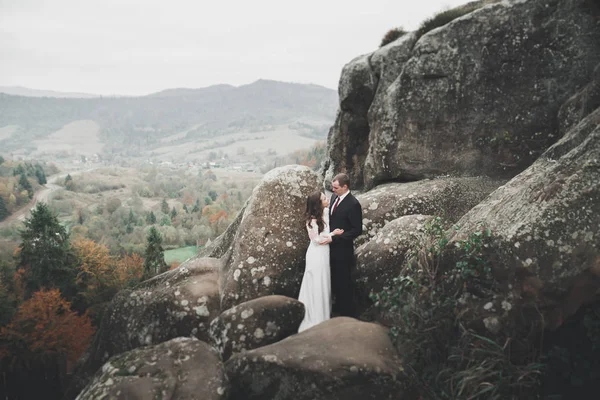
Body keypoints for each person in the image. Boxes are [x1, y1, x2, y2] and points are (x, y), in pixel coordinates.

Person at [298, 191, 343, 332]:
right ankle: (316, 316)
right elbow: (316, 240)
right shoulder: (311, 221)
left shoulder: (327, 212)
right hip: (316, 254)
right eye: (324, 198)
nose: (327, 198)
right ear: (318, 204)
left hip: (325, 253)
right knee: (317, 282)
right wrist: (333, 234)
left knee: (325, 281)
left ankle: (325, 314)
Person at [321, 173, 362, 317]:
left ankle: (347, 315)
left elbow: (357, 230)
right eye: (332, 187)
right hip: (328, 249)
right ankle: (336, 309)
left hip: (343, 251)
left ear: (345, 187)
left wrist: (336, 238)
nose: (333, 190)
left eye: (336, 187)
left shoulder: (353, 204)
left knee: (344, 282)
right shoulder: (334, 197)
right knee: (333, 280)